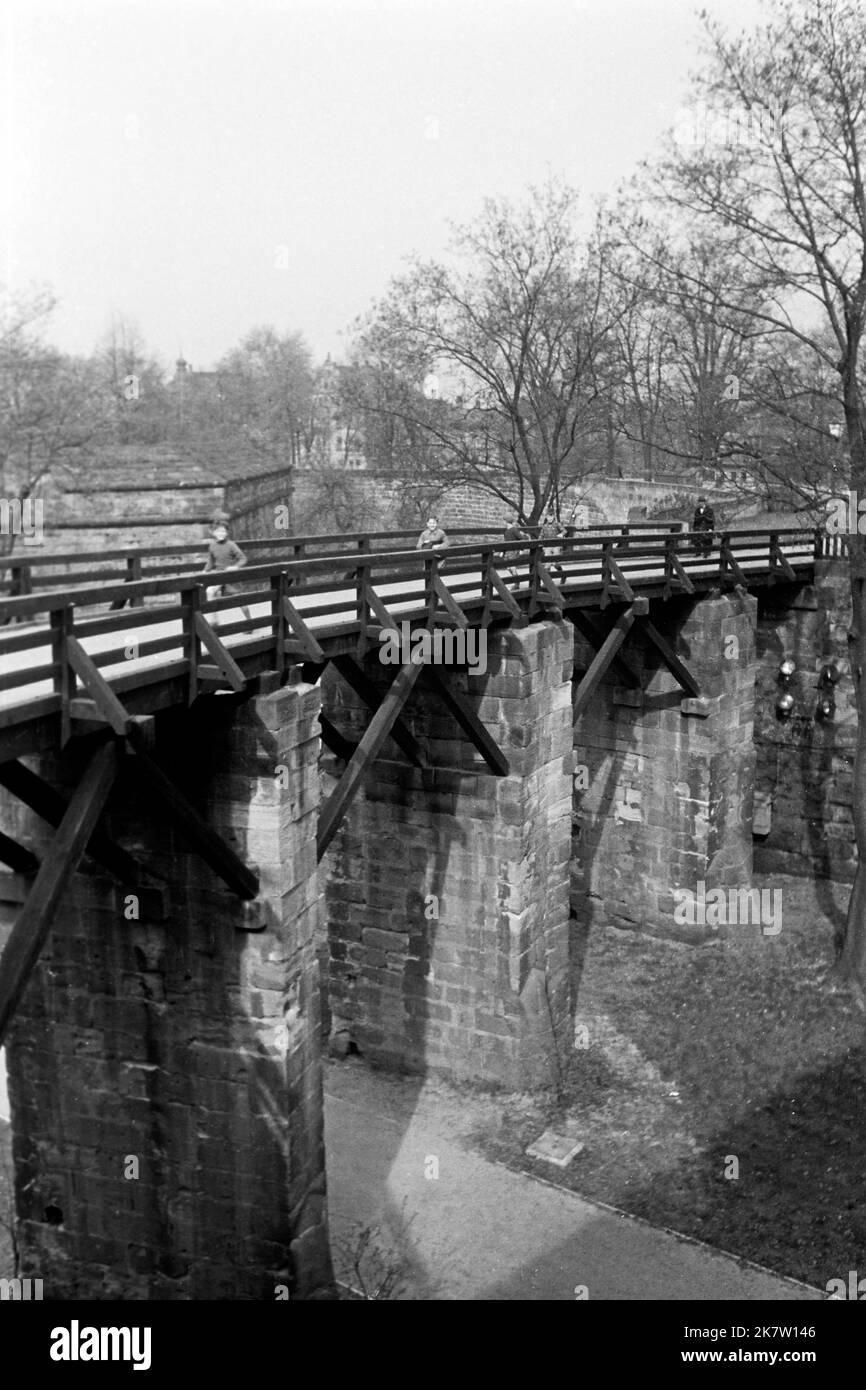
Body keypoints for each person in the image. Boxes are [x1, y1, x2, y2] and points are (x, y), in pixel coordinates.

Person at [203, 513, 251, 623]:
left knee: (240, 601)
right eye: (218, 531)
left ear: (227, 533)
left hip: (230, 577)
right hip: (219, 575)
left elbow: (243, 558)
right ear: (213, 533)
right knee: (210, 591)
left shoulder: (231, 545)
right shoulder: (212, 546)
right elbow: (211, 561)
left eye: (223, 531)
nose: (221, 534)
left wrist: (235, 567)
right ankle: (214, 621)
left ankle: (250, 622)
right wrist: (205, 571)